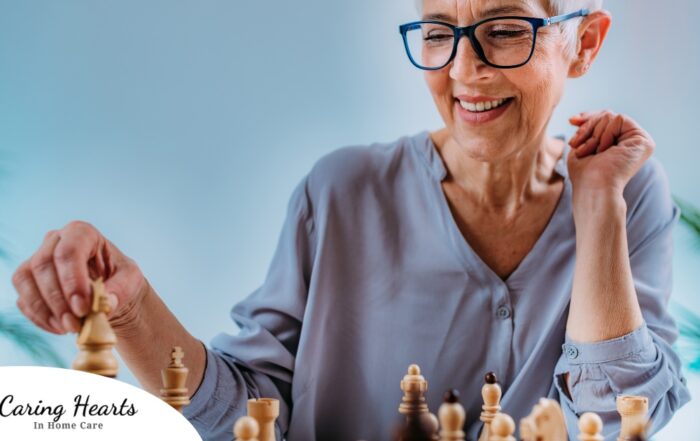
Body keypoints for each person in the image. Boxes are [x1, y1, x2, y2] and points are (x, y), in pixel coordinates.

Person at [12, 0, 691, 440]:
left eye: (506, 30)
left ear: (585, 42)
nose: (464, 70)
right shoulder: (339, 193)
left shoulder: (628, 191)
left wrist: (598, 205)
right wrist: (131, 308)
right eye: (437, 32)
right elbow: (251, 416)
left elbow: (616, 421)